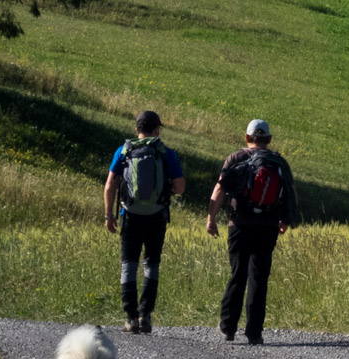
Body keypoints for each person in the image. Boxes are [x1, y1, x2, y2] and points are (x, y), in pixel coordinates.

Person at [207, 118, 300, 345]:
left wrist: (211, 218)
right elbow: (291, 192)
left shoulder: (236, 158)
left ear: (247, 137)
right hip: (267, 226)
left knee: (237, 275)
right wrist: (285, 220)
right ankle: (255, 333)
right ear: (268, 139)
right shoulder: (278, 162)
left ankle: (228, 327)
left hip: (239, 225)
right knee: (259, 278)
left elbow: (220, 189)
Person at [103, 109, 186, 335]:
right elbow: (180, 188)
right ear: (157, 129)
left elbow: (110, 185)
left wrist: (108, 215)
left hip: (129, 216)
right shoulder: (166, 153)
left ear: (136, 128)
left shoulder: (123, 151)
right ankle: (145, 316)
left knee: (128, 264)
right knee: (152, 264)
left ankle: (130, 319)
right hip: (157, 217)